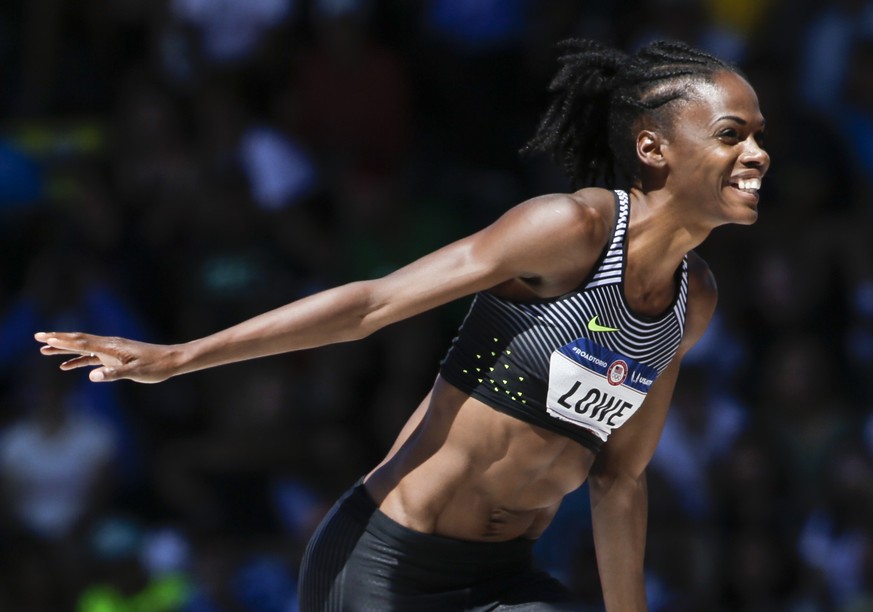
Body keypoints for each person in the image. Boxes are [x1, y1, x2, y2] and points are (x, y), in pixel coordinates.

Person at [35, 38, 769, 611]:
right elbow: (371, 305)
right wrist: (180, 355)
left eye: (759, 135)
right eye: (731, 134)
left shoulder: (690, 300)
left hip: (503, 580)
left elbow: (620, 479)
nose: (757, 154)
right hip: (384, 567)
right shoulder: (569, 229)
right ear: (653, 148)